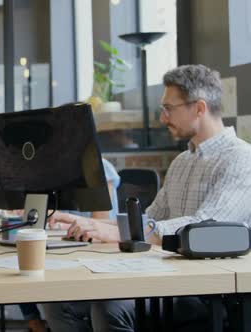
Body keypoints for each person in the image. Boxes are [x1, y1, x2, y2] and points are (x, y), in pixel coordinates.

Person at [43, 64, 251, 331]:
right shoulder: (182, 162)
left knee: (110, 308)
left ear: (199, 108)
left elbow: (203, 228)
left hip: (205, 289)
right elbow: (149, 219)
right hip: (167, 274)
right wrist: (86, 224)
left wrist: (122, 232)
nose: (163, 118)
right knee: (59, 302)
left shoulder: (241, 160)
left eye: (168, 108)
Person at [19, 158, 120, 332]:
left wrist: (63, 224)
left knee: (52, 299)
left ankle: (35, 323)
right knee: (22, 259)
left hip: (94, 255)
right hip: (66, 250)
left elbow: (100, 225)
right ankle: (34, 321)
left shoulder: (99, 167)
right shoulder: (48, 169)